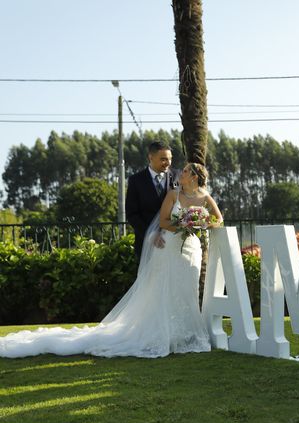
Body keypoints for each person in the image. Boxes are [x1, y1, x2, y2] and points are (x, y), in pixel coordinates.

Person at [0, 163, 223, 359]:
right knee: (164, 290)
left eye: (185, 171)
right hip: (169, 248)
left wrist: (201, 225)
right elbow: (164, 222)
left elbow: (218, 219)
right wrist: (182, 225)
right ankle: (163, 334)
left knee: (187, 290)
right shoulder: (173, 195)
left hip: (191, 248)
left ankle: (184, 335)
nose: (180, 173)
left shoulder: (204, 197)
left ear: (194, 176)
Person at [126, 141, 180, 259]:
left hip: (173, 244)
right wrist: (151, 234)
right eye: (163, 159)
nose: (168, 163)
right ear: (151, 157)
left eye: (170, 159)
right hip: (146, 245)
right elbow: (132, 214)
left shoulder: (177, 176)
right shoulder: (136, 181)